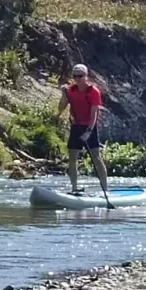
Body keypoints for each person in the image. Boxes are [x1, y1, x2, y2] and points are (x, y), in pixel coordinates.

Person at [56, 63, 108, 195]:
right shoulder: (71, 91)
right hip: (76, 126)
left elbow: (94, 113)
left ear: (86, 76)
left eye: (80, 76)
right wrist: (63, 95)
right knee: (72, 157)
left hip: (90, 126)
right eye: (75, 76)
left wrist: (89, 131)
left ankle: (105, 188)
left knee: (96, 157)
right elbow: (61, 108)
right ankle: (74, 187)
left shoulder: (93, 91)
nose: (77, 79)